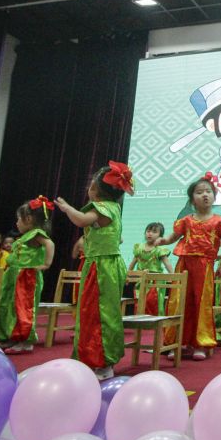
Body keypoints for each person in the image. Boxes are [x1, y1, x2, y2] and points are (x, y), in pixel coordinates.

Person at [55, 161, 133, 380]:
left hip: (102, 266)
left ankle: (103, 361)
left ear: (96, 190)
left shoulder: (102, 207)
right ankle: (93, 358)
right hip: (104, 264)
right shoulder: (114, 207)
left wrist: (67, 208)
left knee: (99, 314)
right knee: (95, 312)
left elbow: (82, 220)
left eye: (91, 184)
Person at [156, 175, 221, 361]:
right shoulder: (186, 221)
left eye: (208, 191)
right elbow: (173, 237)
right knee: (178, 302)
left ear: (214, 196)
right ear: (192, 199)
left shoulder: (219, 221)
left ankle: (200, 344)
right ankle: (175, 343)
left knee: (202, 303)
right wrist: (163, 240)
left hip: (205, 266)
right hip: (184, 265)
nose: (205, 195)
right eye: (199, 192)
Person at [0, 196, 55, 354]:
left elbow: (50, 243)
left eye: (18, 219)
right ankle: (11, 336)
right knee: (8, 306)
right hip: (14, 275)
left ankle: (25, 341)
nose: (17, 223)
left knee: (23, 308)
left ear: (28, 219)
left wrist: (47, 264)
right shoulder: (26, 236)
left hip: (27, 277)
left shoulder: (37, 233)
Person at [127, 222, 172, 315]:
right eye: (148, 231)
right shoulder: (139, 248)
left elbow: (167, 264)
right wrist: (127, 276)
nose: (150, 234)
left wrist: (173, 276)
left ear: (160, 236)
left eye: (154, 232)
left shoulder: (159, 250)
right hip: (141, 281)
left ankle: (156, 322)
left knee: (153, 302)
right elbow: (132, 264)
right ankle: (140, 321)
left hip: (156, 282)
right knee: (140, 303)